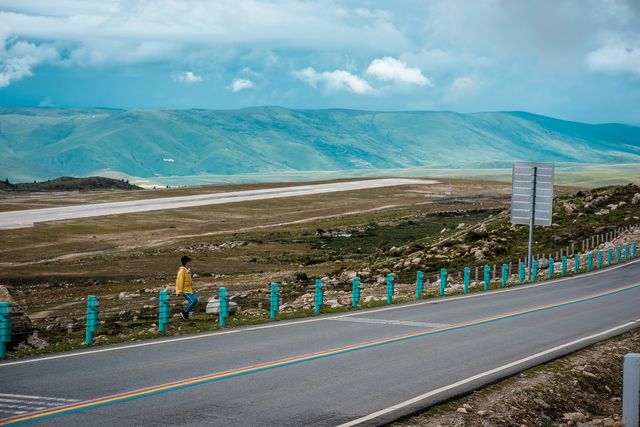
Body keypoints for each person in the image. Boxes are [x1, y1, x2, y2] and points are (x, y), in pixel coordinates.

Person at [175, 255, 198, 320]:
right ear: (186, 262)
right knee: (193, 300)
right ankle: (184, 312)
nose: (190, 263)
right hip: (184, 290)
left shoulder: (187, 270)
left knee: (195, 300)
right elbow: (179, 281)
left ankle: (186, 312)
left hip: (188, 290)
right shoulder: (182, 271)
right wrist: (179, 291)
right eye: (189, 261)